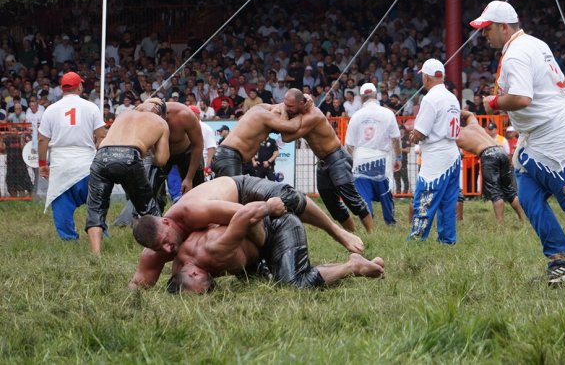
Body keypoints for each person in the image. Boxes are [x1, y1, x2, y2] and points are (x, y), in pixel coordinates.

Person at [472, 1, 565, 287]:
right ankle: (560, 262)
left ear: (504, 27)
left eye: (487, 29)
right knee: (528, 197)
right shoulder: (534, 43)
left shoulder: (515, 54)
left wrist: (492, 103)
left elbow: (521, 97)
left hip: (555, 136)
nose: (484, 35)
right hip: (539, 136)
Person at [129, 174, 364, 289]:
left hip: (239, 194)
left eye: (166, 241)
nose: (168, 249)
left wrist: (265, 247)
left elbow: (244, 216)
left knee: (285, 198)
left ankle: (337, 231)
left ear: (167, 223)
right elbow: (138, 286)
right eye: (161, 248)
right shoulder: (155, 252)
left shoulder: (193, 212)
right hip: (237, 225)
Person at [162, 199, 385, 294]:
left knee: (294, 285)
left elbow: (243, 215)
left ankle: (353, 266)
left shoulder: (212, 250)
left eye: (200, 290)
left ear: (191, 272)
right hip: (256, 253)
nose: (207, 291)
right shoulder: (180, 267)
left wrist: (269, 207)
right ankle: (365, 265)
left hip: (277, 226)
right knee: (273, 280)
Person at [277, 88, 374, 233]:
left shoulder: (313, 115)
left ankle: (371, 234)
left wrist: (284, 111)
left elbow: (287, 136)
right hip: (323, 162)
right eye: (286, 105)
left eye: (290, 106)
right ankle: (352, 234)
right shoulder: (300, 112)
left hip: (337, 158)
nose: (287, 109)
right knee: (332, 204)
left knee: (352, 200)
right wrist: (291, 105)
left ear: (301, 103)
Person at [84, 97, 170, 254]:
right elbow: (162, 160)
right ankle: (156, 251)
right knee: (148, 209)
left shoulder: (123, 115)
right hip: (130, 156)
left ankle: (96, 255)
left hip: (102, 156)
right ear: (162, 113)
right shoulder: (161, 123)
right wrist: (149, 149)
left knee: (96, 208)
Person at [113, 99, 208, 225]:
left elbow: (198, 146)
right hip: (160, 154)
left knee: (198, 191)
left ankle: (200, 221)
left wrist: (189, 178)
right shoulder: (141, 115)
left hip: (187, 153)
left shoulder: (184, 115)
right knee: (148, 188)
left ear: (165, 115)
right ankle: (149, 222)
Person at [37, 72, 107, 241]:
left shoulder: (51, 109)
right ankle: (101, 235)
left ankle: (69, 239)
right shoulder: (91, 107)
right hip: (86, 163)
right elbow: (102, 136)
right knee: (96, 203)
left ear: (63, 88)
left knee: (62, 204)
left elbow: (42, 139)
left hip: (61, 163)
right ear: (79, 86)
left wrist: (42, 164)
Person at [407, 58, 462, 244]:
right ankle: (447, 240)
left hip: (436, 156)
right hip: (452, 153)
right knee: (448, 202)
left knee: (424, 199)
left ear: (427, 77)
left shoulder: (430, 98)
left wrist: (413, 135)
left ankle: (416, 240)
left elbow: (421, 132)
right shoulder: (452, 97)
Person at [344, 82, 402, 226]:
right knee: (385, 194)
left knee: (364, 196)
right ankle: (390, 222)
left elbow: (349, 145)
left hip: (361, 158)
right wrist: (399, 157)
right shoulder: (388, 113)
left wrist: (355, 157)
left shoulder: (356, 116)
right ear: (376, 95)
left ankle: (369, 224)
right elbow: (396, 139)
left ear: (362, 98)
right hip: (381, 159)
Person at [456, 110, 525, 223]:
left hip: (488, 155)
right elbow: (469, 114)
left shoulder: (456, 135)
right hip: (500, 151)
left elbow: (460, 154)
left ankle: (500, 224)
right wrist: (456, 111)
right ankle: (523, 219)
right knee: (509, 190)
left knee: (495, 191)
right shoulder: (474, 125)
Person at [210, 102, 303, 177]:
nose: (278, 119)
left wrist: (284, 109)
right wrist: (301, 113)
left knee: (224, 194)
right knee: (233, 194)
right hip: (229, 157)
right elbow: (293, 127)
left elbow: (286, 136)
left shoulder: (259, 108)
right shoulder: (265, 115)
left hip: (226, 156)